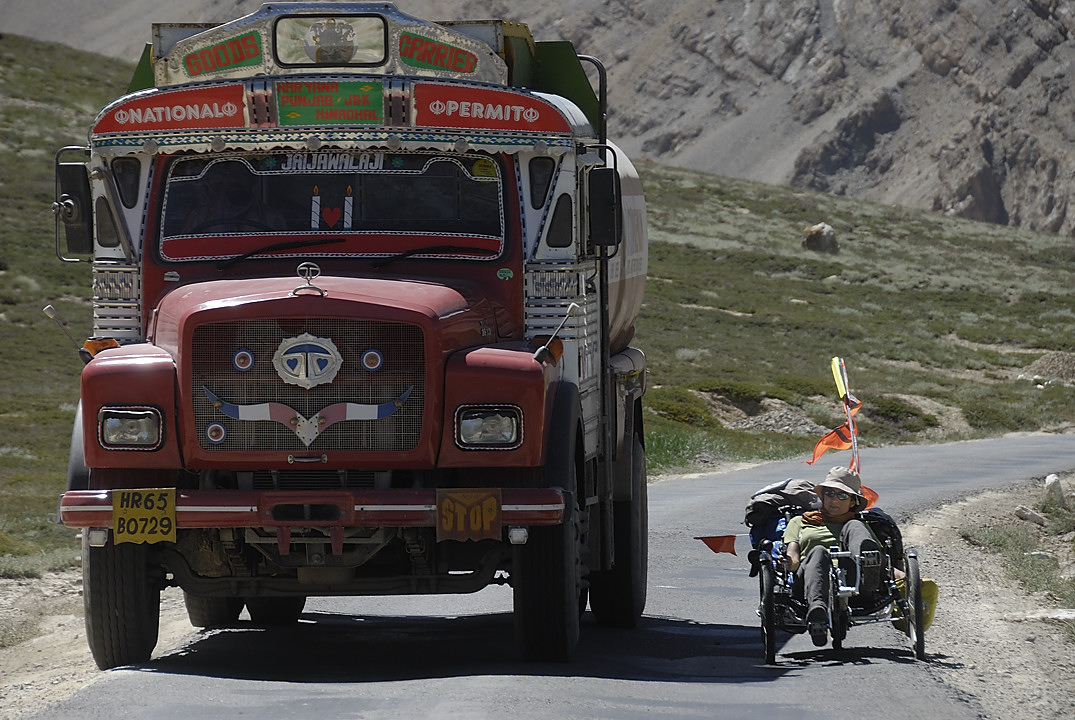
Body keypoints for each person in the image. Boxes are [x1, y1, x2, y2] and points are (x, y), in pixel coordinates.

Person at [782, 466, 883, 646]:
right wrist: (788, 562)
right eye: (829, 494)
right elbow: (793, 555)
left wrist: (902, 577)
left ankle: (866, 562)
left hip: (854, 580)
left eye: (842, 495)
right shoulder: (800, 521)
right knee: (819, 551)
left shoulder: (858, 525)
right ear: (822, 496)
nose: (834, 499)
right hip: (809, 579)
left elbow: (883, 561)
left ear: (853, 501)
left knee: (854, 525)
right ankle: (817, 612)